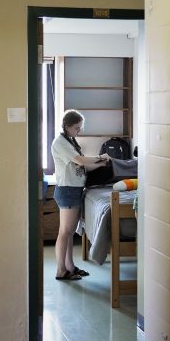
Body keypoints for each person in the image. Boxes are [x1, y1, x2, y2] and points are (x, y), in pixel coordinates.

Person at [50, 110, 110, 280]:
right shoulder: (60, 142)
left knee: (69, 233)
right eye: (77, 128)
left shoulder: (71, 141)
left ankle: (70, 266)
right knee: (65, 231)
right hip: (67, 189)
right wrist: (100, 157)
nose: (79, 131)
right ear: (67, 126)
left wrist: (102, 162)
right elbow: (81, 161)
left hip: (74, 188)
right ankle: (61, 270)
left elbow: (84, 167)